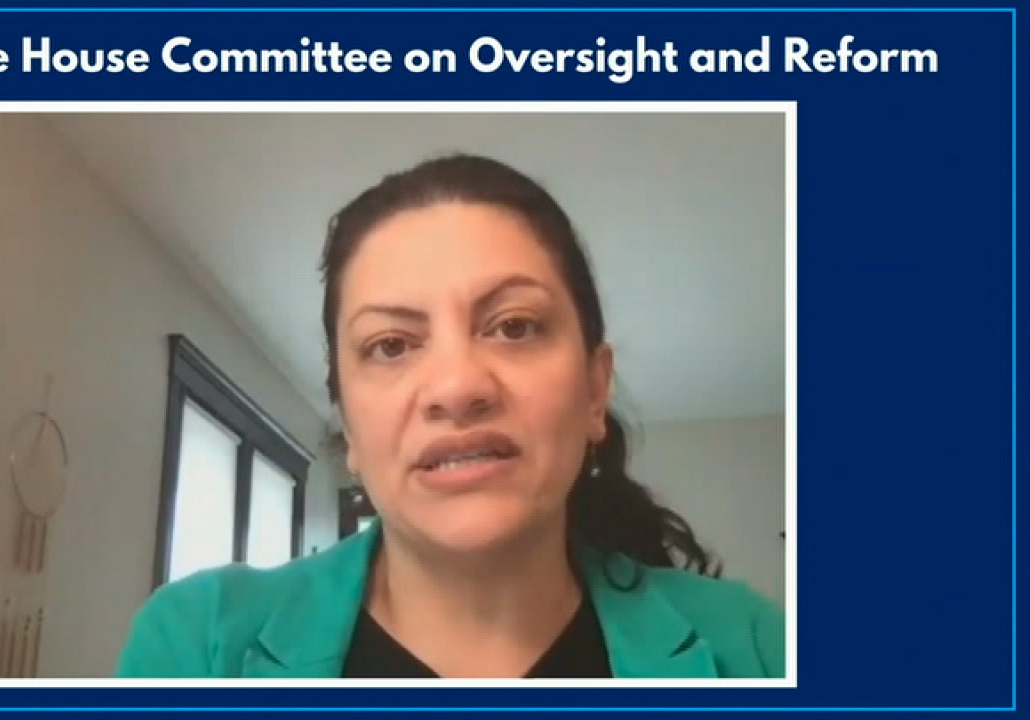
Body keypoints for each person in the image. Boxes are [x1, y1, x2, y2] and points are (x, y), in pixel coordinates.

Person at [116, 153, 785, 679]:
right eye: (391, 345)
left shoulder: (757, 648)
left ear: (593, 390)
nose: (458, 387)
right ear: (347, 422)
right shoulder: (200, 645)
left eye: (514, 326)